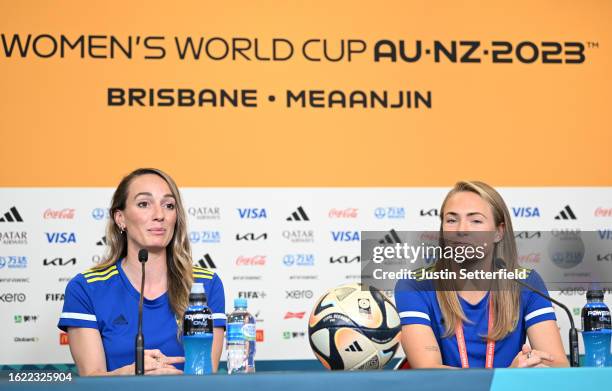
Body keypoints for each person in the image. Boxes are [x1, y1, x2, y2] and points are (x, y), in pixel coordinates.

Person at [58, 168, 226, 375]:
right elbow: (92, 379)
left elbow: (206, 377)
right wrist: (133, 373)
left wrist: (173, 378)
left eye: (169, 205)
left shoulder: (206, 284)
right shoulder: (86, 288)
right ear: (120, 218)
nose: (159, 215)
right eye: (144, 204)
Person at [394, 181, 569, 368]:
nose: (461, 230)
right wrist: (506, 377)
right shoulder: (415, 285)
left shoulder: (525, 282)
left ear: (498, 232)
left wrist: (537, 366)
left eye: (476, 221)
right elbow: (428, 371)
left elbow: (558, 365)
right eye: (452, 220)